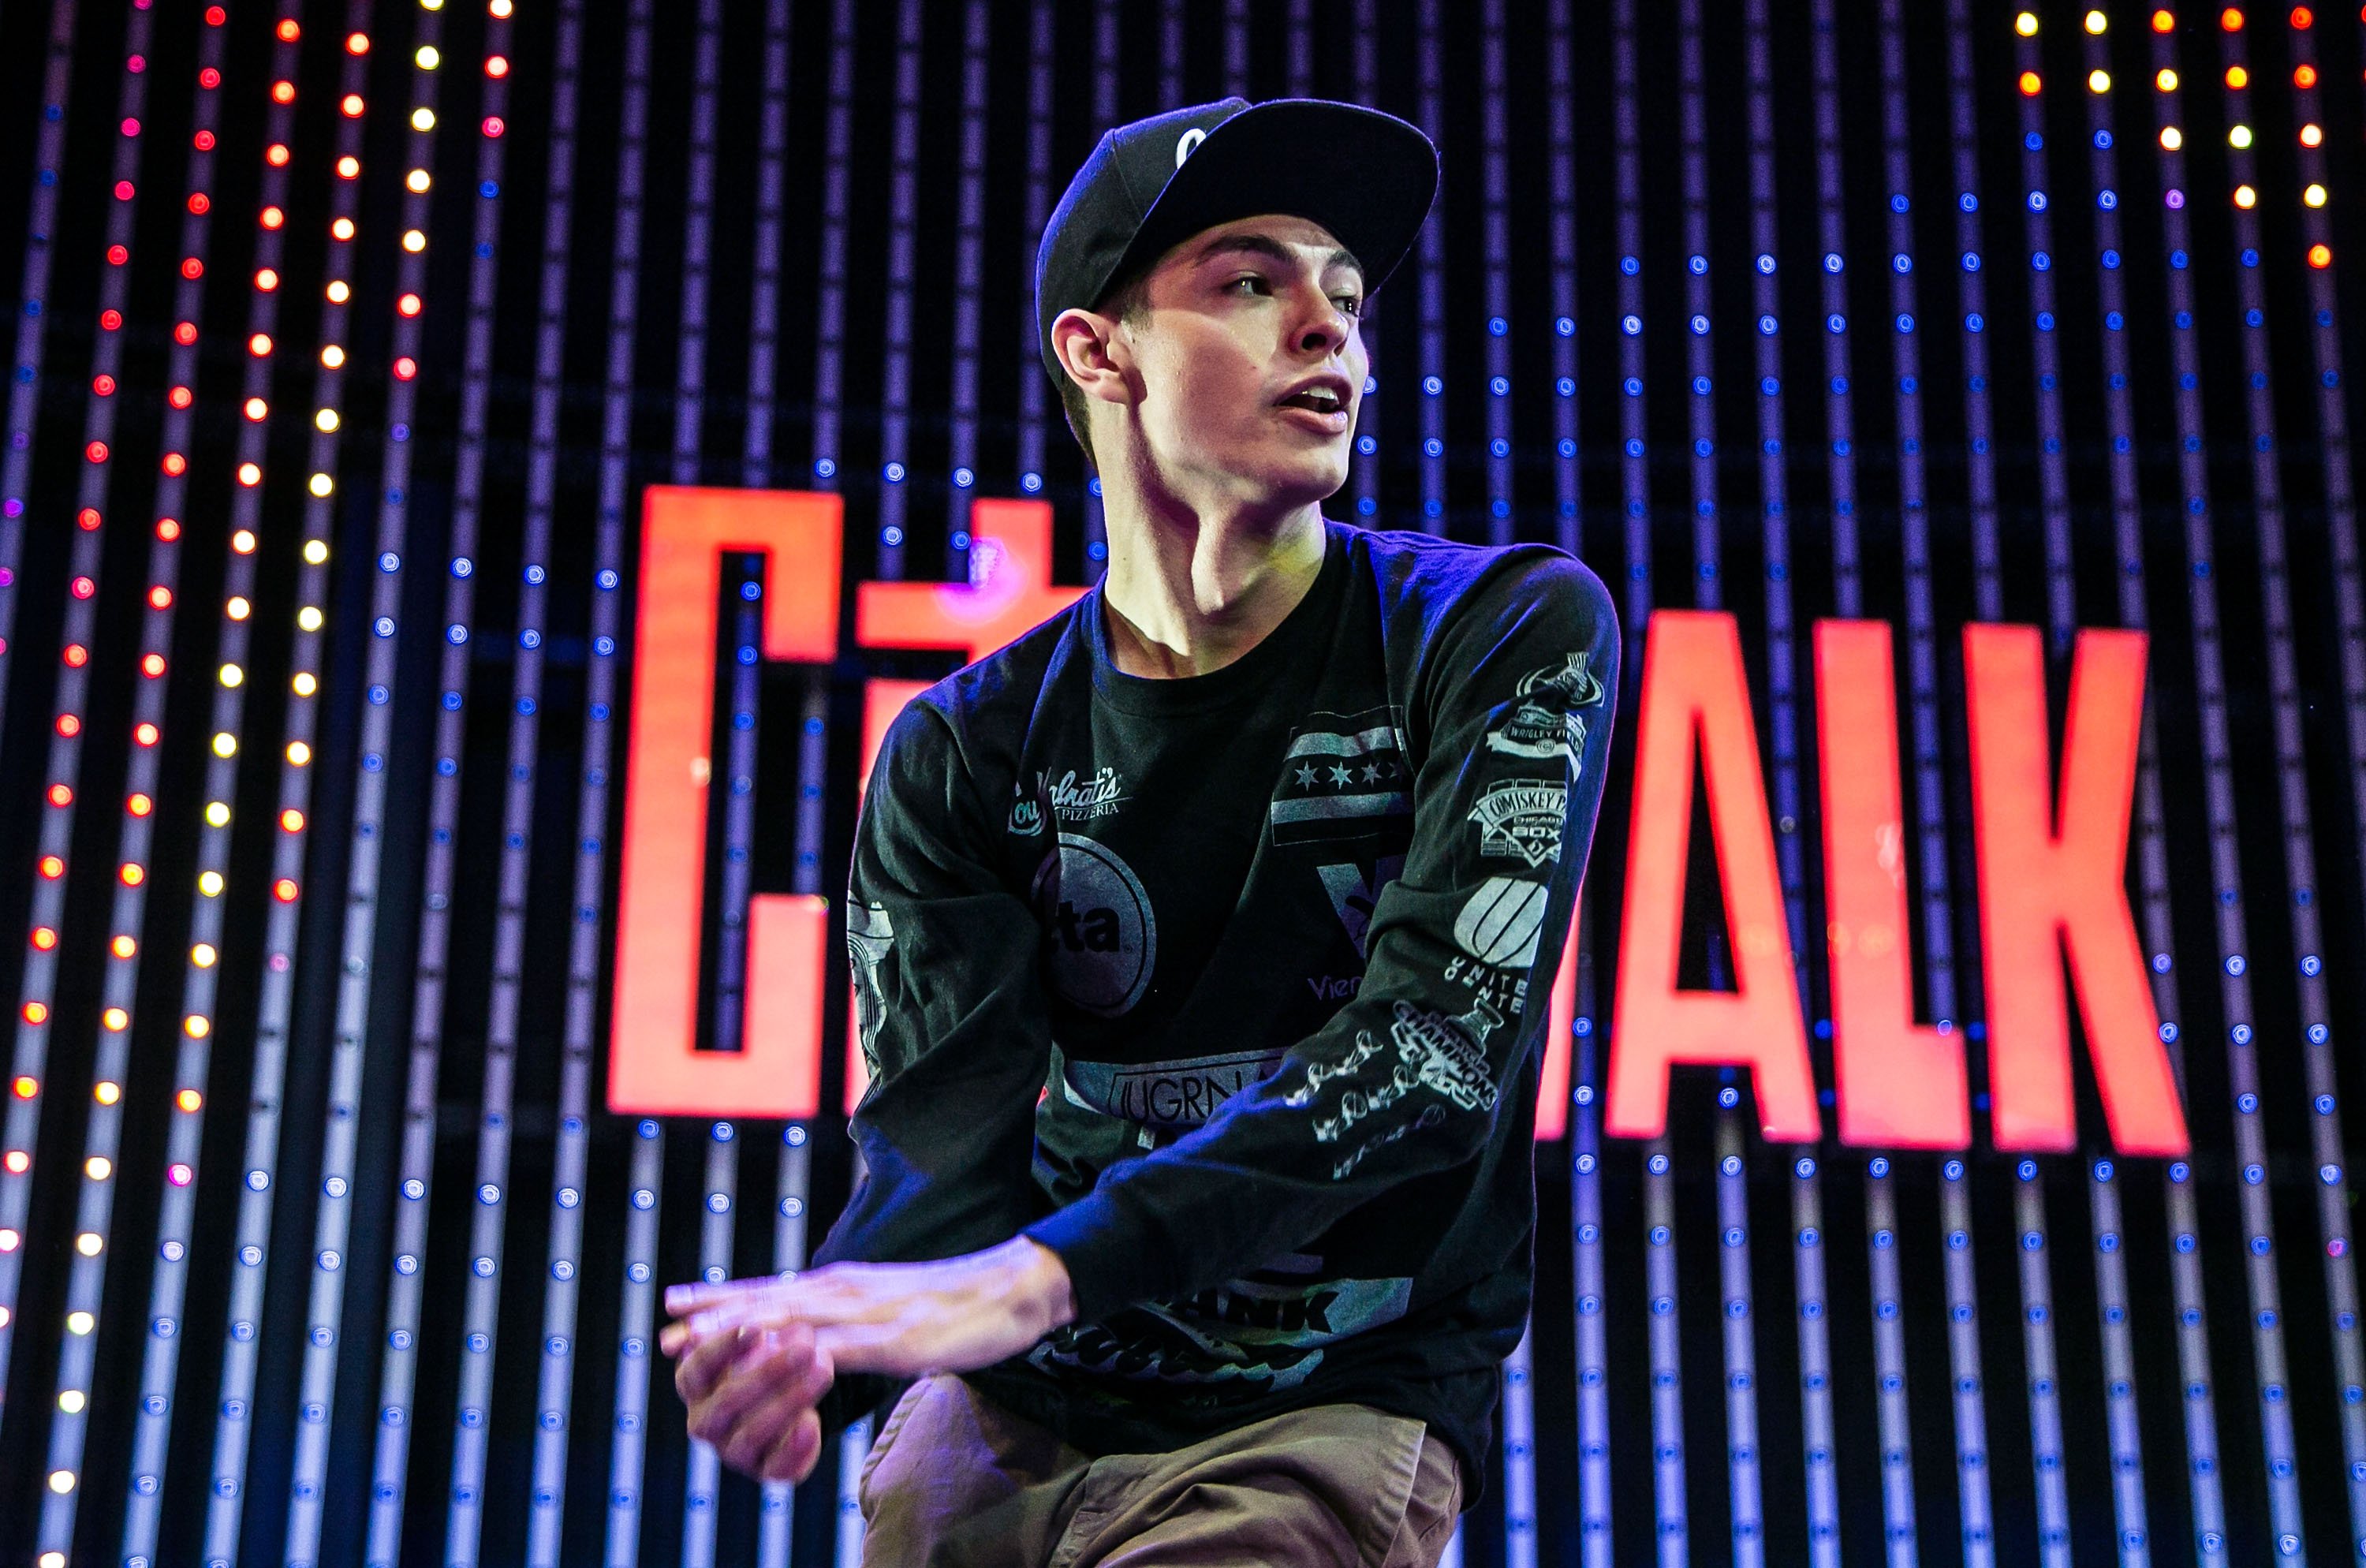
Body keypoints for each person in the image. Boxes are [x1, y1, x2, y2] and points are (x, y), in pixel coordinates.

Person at [659, 95, 1618, 1566]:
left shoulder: (1498, 630)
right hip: (1011, 1415)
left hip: (1320, 1410)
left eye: (1346, 295)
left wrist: (1035, 1277)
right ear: (1097, 353)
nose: (1330, 330)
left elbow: (1431, 1056)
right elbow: (949, 1143)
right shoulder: (963, 750)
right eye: (1252, 282)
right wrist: (829, 1333)